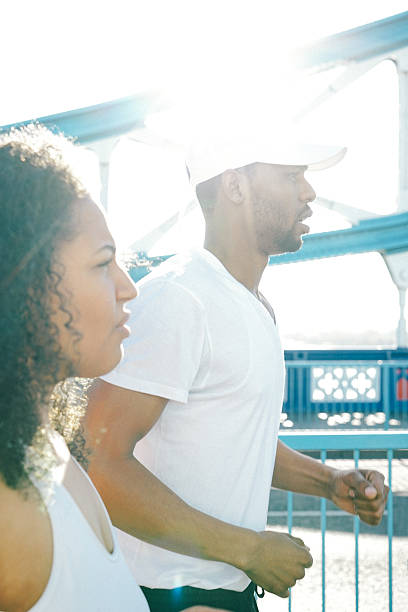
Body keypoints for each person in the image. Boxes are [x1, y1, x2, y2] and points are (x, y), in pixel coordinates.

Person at [85, 130, 389, 612]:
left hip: (224, 593)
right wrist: (247, 550)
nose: (309, 192)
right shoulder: (179, 299)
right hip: (164, 596)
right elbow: (97, 461)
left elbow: (235, 439)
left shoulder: (253, 305)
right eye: (291, 176)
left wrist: (327, 482)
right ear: (234, 187)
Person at [0, 124, 225, 612]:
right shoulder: (8, 508)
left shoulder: (47, 452)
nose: (130, 287)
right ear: (22, 284)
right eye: (104, 264)